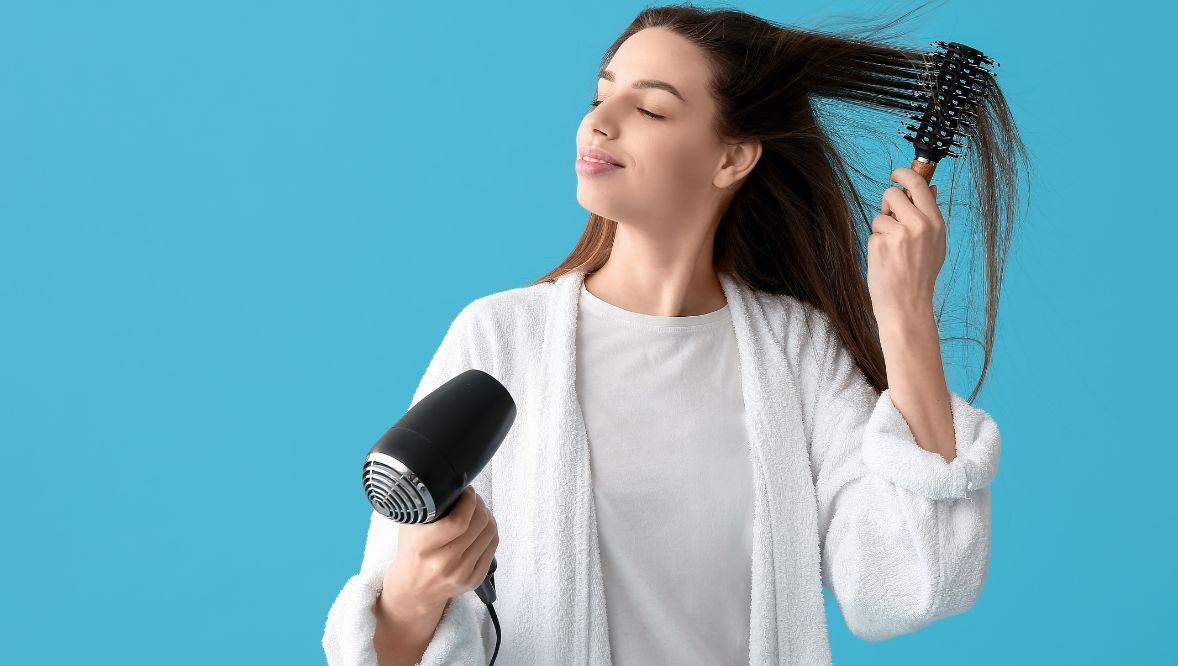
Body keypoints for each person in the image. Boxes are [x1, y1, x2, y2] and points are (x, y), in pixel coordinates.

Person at [324, 4, 1027, 665]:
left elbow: (912, 585)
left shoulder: (797, 353)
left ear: (731, 159)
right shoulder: (501, 340)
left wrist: (902, 312)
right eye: (600, 96)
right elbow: (381, 645)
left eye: (650, 107)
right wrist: (417, 586)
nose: (599, 123)